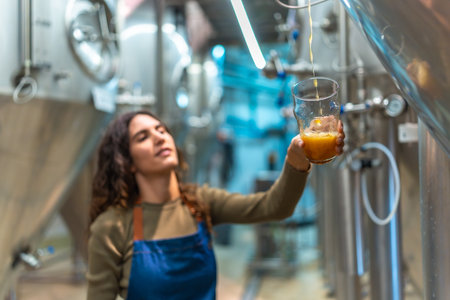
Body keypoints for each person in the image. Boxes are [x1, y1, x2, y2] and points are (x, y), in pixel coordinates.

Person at [87, 109, 345, 300]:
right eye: (143, 137)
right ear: (127, 162)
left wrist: (296, 159)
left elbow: (273, 207)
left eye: (161, 130)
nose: (159, 137)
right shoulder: (113, 226)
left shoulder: (199, 203)